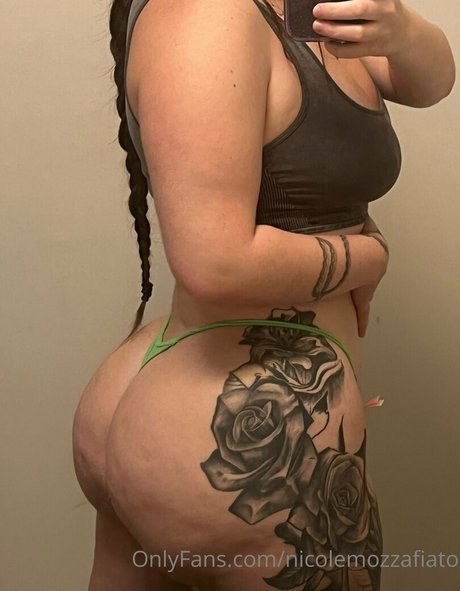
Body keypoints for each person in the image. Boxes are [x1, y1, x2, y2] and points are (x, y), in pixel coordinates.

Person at [72, 1, 455, 589]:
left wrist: (402, 30)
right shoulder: (209, 17)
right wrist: (369, 257)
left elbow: (430, 83)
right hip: (239, 442)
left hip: (201, 409)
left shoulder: (300, 8)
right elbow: (215, 263)